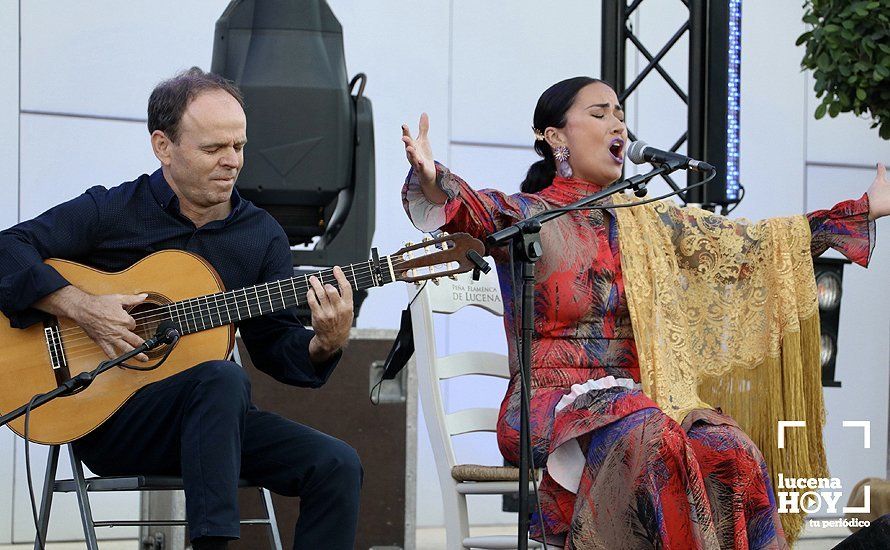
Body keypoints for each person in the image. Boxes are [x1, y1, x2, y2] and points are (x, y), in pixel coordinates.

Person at [400, 76, 889, 549]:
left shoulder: (649, 221)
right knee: (652, 432)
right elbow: (477, 213)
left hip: (639, 404)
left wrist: (862, 210)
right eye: (599, 113)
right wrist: (433, 177)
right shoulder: (529, 215)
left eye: (620, 114)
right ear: (555, 137)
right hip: (549, 407)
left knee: (728, 447)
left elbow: (752, 247)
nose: (618, 124)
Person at [0, 67, 361, 550]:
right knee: (223, 377)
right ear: (163, 147)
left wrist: (324, 343)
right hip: (112, 419)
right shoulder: (113, 211)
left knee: (337, 464)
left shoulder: (260, 236)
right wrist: (82, 306)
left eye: (238, 146)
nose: (231, 162)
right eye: (213, 149)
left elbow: (276, 348)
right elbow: (9, 248)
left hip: (216, 423)